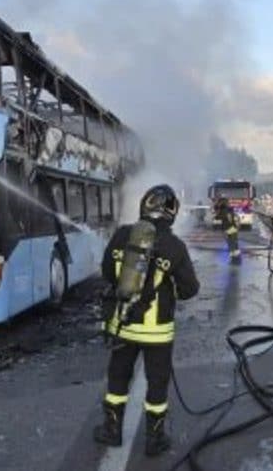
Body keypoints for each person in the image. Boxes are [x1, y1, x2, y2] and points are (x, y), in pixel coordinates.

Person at [93, 184, 200, 457]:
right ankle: (155, 438)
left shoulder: (121, 236)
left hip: (123, 325)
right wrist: (168, 289)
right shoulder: (175, 246)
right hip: (157, 332)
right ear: (171, 212)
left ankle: (112, 429)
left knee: (118, 377)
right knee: (157, 382)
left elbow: (107, 273)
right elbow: (190, 288)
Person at [217, 197, 241, 265]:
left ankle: (233, 258)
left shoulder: (224, 210)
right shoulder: (230, 210)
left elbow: (218, 217)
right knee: (234, 243)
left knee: (231, 244)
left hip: (229, 229)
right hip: (233, 228)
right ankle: (236, 257)